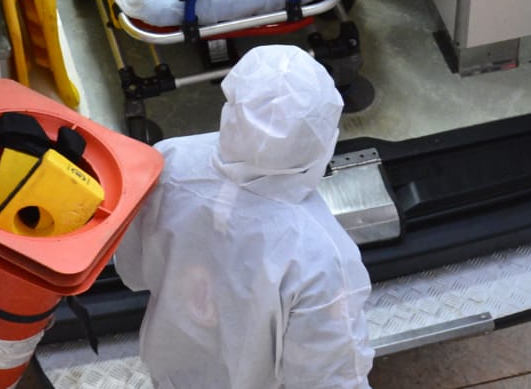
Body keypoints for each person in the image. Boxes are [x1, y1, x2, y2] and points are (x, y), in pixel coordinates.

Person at [112, 45, 374, 388]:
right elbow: (330, 377)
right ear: (323, 135)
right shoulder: (320, 258)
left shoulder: (169, 162)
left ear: (233, 107)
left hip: (172, 374)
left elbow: (132, 269)